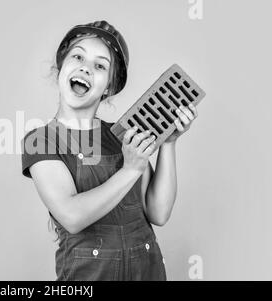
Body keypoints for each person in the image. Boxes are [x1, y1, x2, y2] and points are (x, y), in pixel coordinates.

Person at [21, 20, 198, 281]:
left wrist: (168, 143)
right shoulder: (40, 140)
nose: (86, 67)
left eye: (100, 65)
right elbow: (72, 216)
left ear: (110, 87)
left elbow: (158, 212)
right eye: (78, 56)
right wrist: (130, 170)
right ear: (60, 68)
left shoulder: (124, 134)